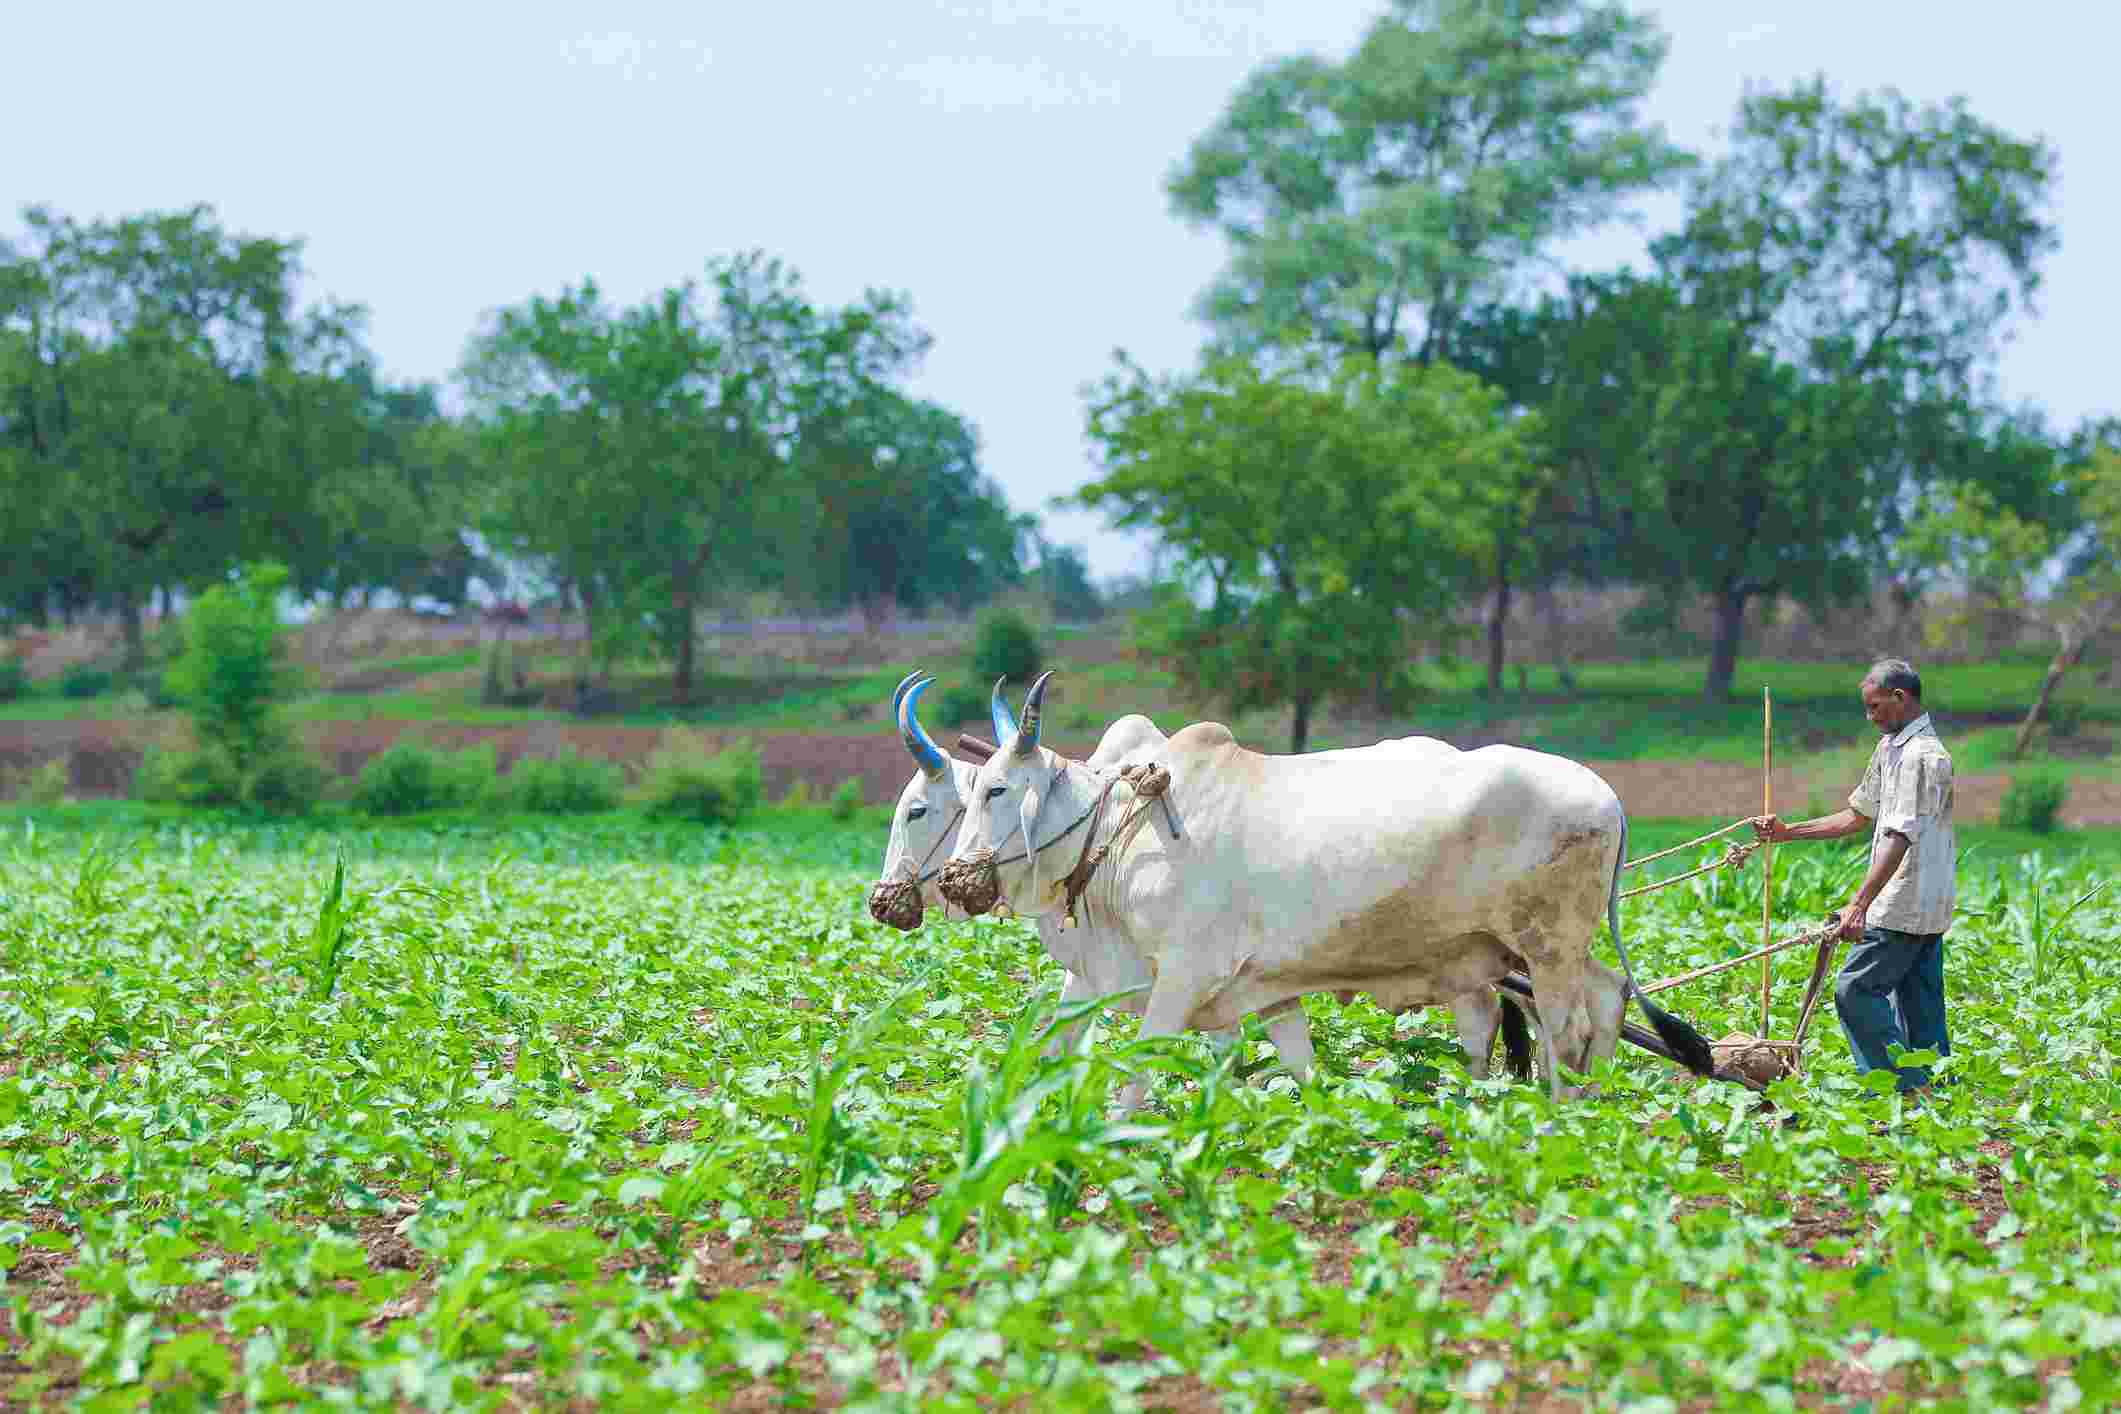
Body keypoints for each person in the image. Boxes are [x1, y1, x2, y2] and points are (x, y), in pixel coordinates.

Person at [1752, 659, 1957, 1095]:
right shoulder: (1891, 748)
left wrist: (1859, 904)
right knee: (1920, 1003)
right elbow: (1857, 815)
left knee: (1855, 990)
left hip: (1905, 900)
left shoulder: (1923, 757)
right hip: (1924, 902)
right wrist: (1788, 833)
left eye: (1875, 706)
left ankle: (1900, 1089)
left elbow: (1900, 836)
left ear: (1900, 698)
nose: (1870, 717)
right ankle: (1936, 1092)